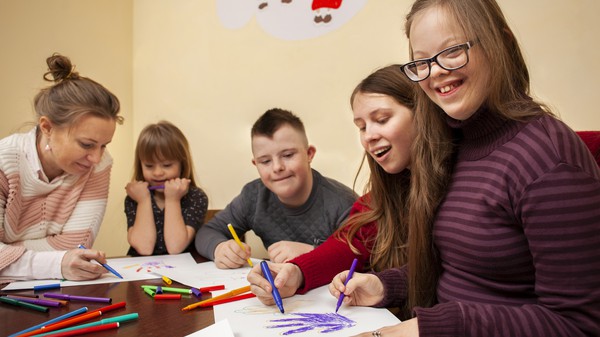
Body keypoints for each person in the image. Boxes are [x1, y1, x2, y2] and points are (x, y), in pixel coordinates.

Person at [330, 1, 600, 336]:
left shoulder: (548, 156)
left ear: (498, 42)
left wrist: (439, 326)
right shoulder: (453, 143)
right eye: (423, 61)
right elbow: (459, 268)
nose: (437, 71)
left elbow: (580, 325)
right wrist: (384, 285)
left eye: (453, 51)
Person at [247, 65, 453, 319]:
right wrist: (296, 272)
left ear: (421, 113)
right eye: (361, 126)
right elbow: (348, 244)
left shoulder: (460, 185)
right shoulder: (381, 196)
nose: (369, 136)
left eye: (381, 119)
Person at [0, 53, 123, 281]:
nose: (96, 158)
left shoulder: (99, 165)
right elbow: (65, 256)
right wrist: (57, 262)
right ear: (47, 127)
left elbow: (74, 245)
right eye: (86, 144)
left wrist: (10, 251)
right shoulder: (4, 162)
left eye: (104, 146)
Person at [195, 108, 357, 269]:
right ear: (256, 164)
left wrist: (313, 253)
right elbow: (207, 232)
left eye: (288, 155)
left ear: (309, 154)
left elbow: (366, 258)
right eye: (265, 161)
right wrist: (219, 248)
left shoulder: (344, 203)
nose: (277, 167)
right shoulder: (253, 196)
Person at [125, 121, 208, 256]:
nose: (157, 173)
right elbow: (144, 248)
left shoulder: (196, 196)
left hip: (184, 271)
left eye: (167, 165)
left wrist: (172, 199)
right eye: (149, 166)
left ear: (182, 164)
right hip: (143, 271)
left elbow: (175, 247)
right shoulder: (136, 197)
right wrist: (143, 200)